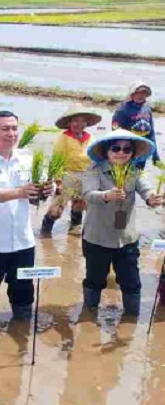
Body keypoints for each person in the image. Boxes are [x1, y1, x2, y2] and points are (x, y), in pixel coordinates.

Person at [0, 111, 55, 321]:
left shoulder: (27, 158)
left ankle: (21, 334)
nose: (11, 133)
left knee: (23, 293)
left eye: (14, 128)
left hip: (22, 242)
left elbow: (40, 185)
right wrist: (20, 192)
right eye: (5, 128)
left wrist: (48, 188)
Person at [81, 130, 161, 316]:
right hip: (97, 238)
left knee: (131, 282)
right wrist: (107, 195)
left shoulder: (134, 171)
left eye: (127, 149)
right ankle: (88, 317)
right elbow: (88, 194)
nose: (121, 152)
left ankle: (132, 317)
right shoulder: (94, 170)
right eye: (116, 148)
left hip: (126, 239)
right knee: (94, 280)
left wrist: (152, 198)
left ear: (132, 153)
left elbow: (146, 189)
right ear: (107, 151)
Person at [41, 106, 101, 236]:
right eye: (76, 121)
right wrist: (58, 182)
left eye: (83, 121)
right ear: (69, 122)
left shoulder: (91, 138)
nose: (79, 124)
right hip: (67, 175)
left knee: (79, 205)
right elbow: (56, 161)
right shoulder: (63, 138)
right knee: (56, 208)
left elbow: (96, 158)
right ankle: (45, 232)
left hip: (85, 176)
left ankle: (74, 229)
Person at [112, 81, 160, 168]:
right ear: (132, 94)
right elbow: (115, 132)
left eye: (143, 93)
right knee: (123, 177)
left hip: (142, 149)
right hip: (127, 151)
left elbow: (151, 133)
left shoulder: (147, 109)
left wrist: (155, 154)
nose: (140, 95)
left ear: (146, 95)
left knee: (138, 176)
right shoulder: (122, 110)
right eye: (137, 93)